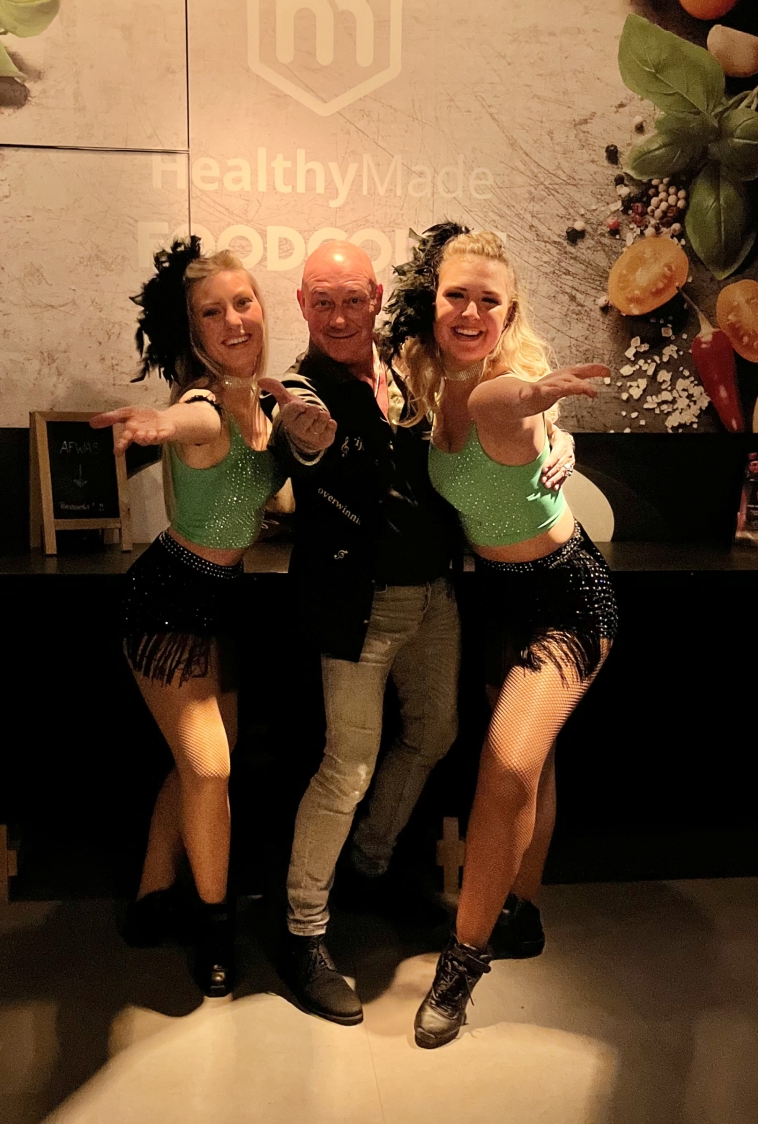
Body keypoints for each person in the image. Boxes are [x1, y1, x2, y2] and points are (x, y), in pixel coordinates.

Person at [262, 240, 577, 1027]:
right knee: (348, 765)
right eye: (322, 300)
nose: (339, 315)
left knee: (436, 733)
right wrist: (308, 442)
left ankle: (371, 868)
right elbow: (304, 442)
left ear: (376, 297)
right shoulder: (302, 389)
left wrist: (559, 437)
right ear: (302, 305)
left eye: (352, 299)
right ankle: (302, 930)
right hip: (358, 606)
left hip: (436, 596)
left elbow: (502, 412)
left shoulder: (412, 366)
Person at [383, 223, 618, 1048]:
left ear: (509, 312)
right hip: (496, 599)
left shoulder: (501, 386)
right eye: (457, 295)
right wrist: (557, 433)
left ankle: (462, 961)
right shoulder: (423, 378)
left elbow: (511, 400)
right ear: (434, 301)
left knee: (508, 763)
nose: (471, 311)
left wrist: (544, 405)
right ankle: (523, 911)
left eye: (490, 300)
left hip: (568, 598)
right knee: (533, 763)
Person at [90, 239, 330, 996]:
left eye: (242, 303)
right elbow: (185, 423)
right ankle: (215, 929)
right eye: (212, 313)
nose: (233, 321)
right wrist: (156, 426)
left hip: (223, 602)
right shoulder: (201, 404)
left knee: (194, 765)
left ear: (261, 309)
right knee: (211, 768)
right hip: (168, 602)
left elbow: (272, 489)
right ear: (193, 334)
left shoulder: (268, 402)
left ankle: (149, 901)